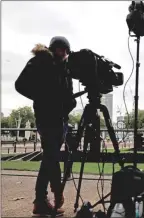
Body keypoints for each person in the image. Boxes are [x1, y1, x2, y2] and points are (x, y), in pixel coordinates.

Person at [15, 36, 76, 217]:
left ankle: (46, 199)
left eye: (66, 52)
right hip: (46, 118)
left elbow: (67, 95)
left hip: (60, 120)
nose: (65, 55)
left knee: (51, 158)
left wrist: (68, 103)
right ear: (56, 49)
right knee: (51, 158)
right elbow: (20, 85)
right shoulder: (40, 61)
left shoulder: (65, 69)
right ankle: (47, 198)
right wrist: (43, 97)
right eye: (63, 50)